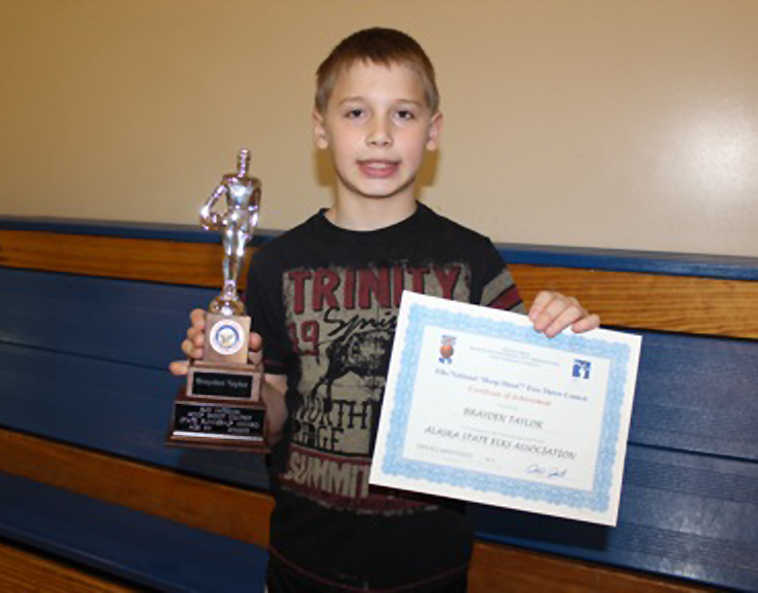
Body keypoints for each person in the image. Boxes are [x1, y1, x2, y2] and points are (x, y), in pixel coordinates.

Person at [170, 27, 600, 593]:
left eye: (402, 114)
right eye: (355, 113)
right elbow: (272, 422)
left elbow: (518, 401)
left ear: (434, 131)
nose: (379, 135)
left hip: (431, 570)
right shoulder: (277, 263)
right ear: (320, 129)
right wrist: (237, 383)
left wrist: (559, 335)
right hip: (303, 565)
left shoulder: (470, 258)